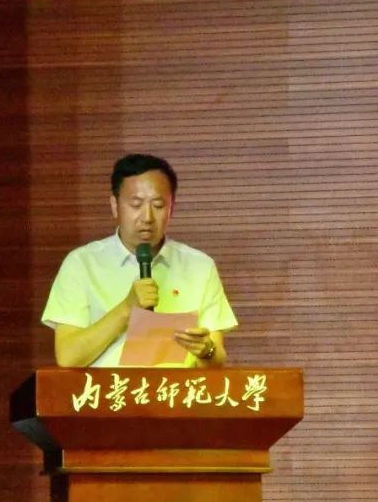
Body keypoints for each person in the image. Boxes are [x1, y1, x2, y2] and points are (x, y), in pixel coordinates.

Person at [41, 153, 237, 368]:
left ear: (172, 208)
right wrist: (126, 309)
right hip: (108, 389)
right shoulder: (82, 264)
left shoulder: (199, 267)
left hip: (173, 389)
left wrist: (207, 351)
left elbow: (216, 362)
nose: (147, 217)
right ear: (115, 205)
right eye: (136, 205)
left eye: (158, 205)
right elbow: (68, 357)